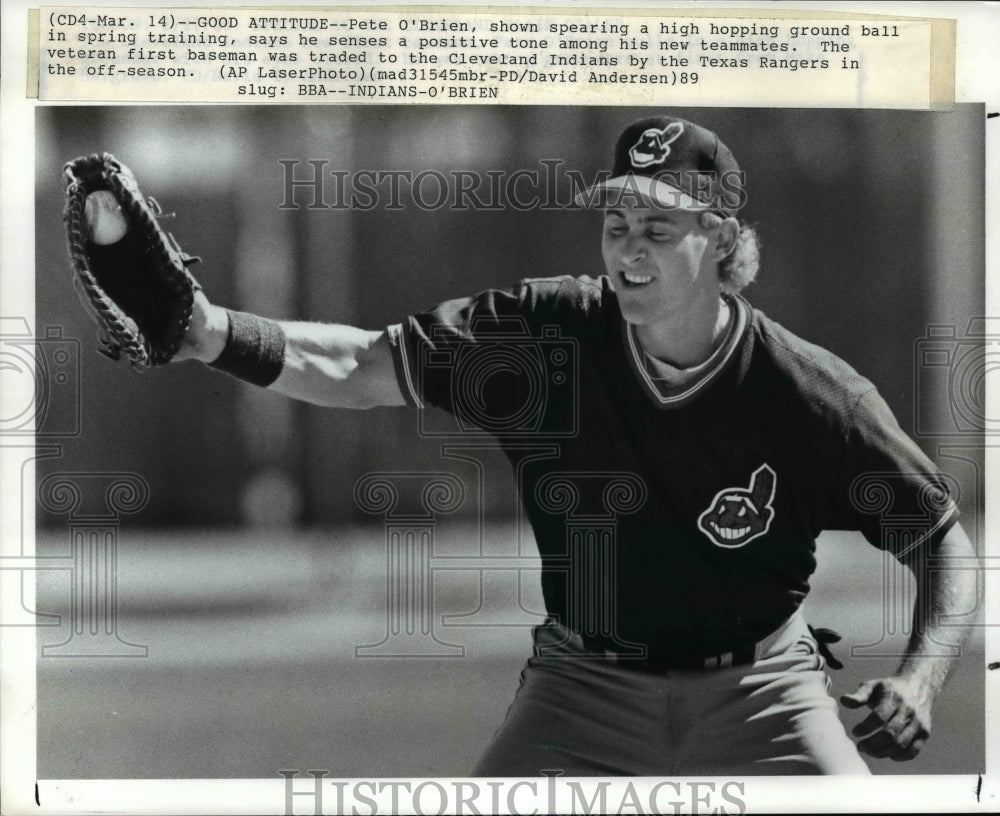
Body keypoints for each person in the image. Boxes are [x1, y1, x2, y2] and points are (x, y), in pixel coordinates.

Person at [174, 114, 976, 775]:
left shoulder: (809, 394)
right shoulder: (547, 339)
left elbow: (942, 543)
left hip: (764, 690)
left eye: (657, 228)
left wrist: (920, 681)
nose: (628, 249)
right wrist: (213, 334)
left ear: (719, 238)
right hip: (582, 689)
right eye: (616, 224)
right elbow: (361, 362)